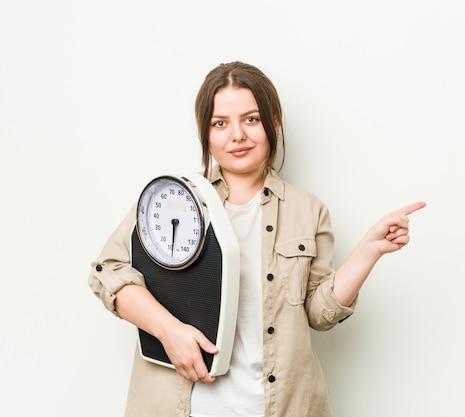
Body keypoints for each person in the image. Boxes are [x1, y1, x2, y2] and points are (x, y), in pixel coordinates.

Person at [88, 61, 426, 417]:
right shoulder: (171, 199)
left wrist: (369, 250)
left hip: (283, 406)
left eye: (251, 119)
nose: (237, 135)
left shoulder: (306, 209)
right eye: (220, 123)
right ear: (205, 132)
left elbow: (319, 314)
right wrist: (168, 330)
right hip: (183, 406)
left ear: (273, 123)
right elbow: (106, 272)